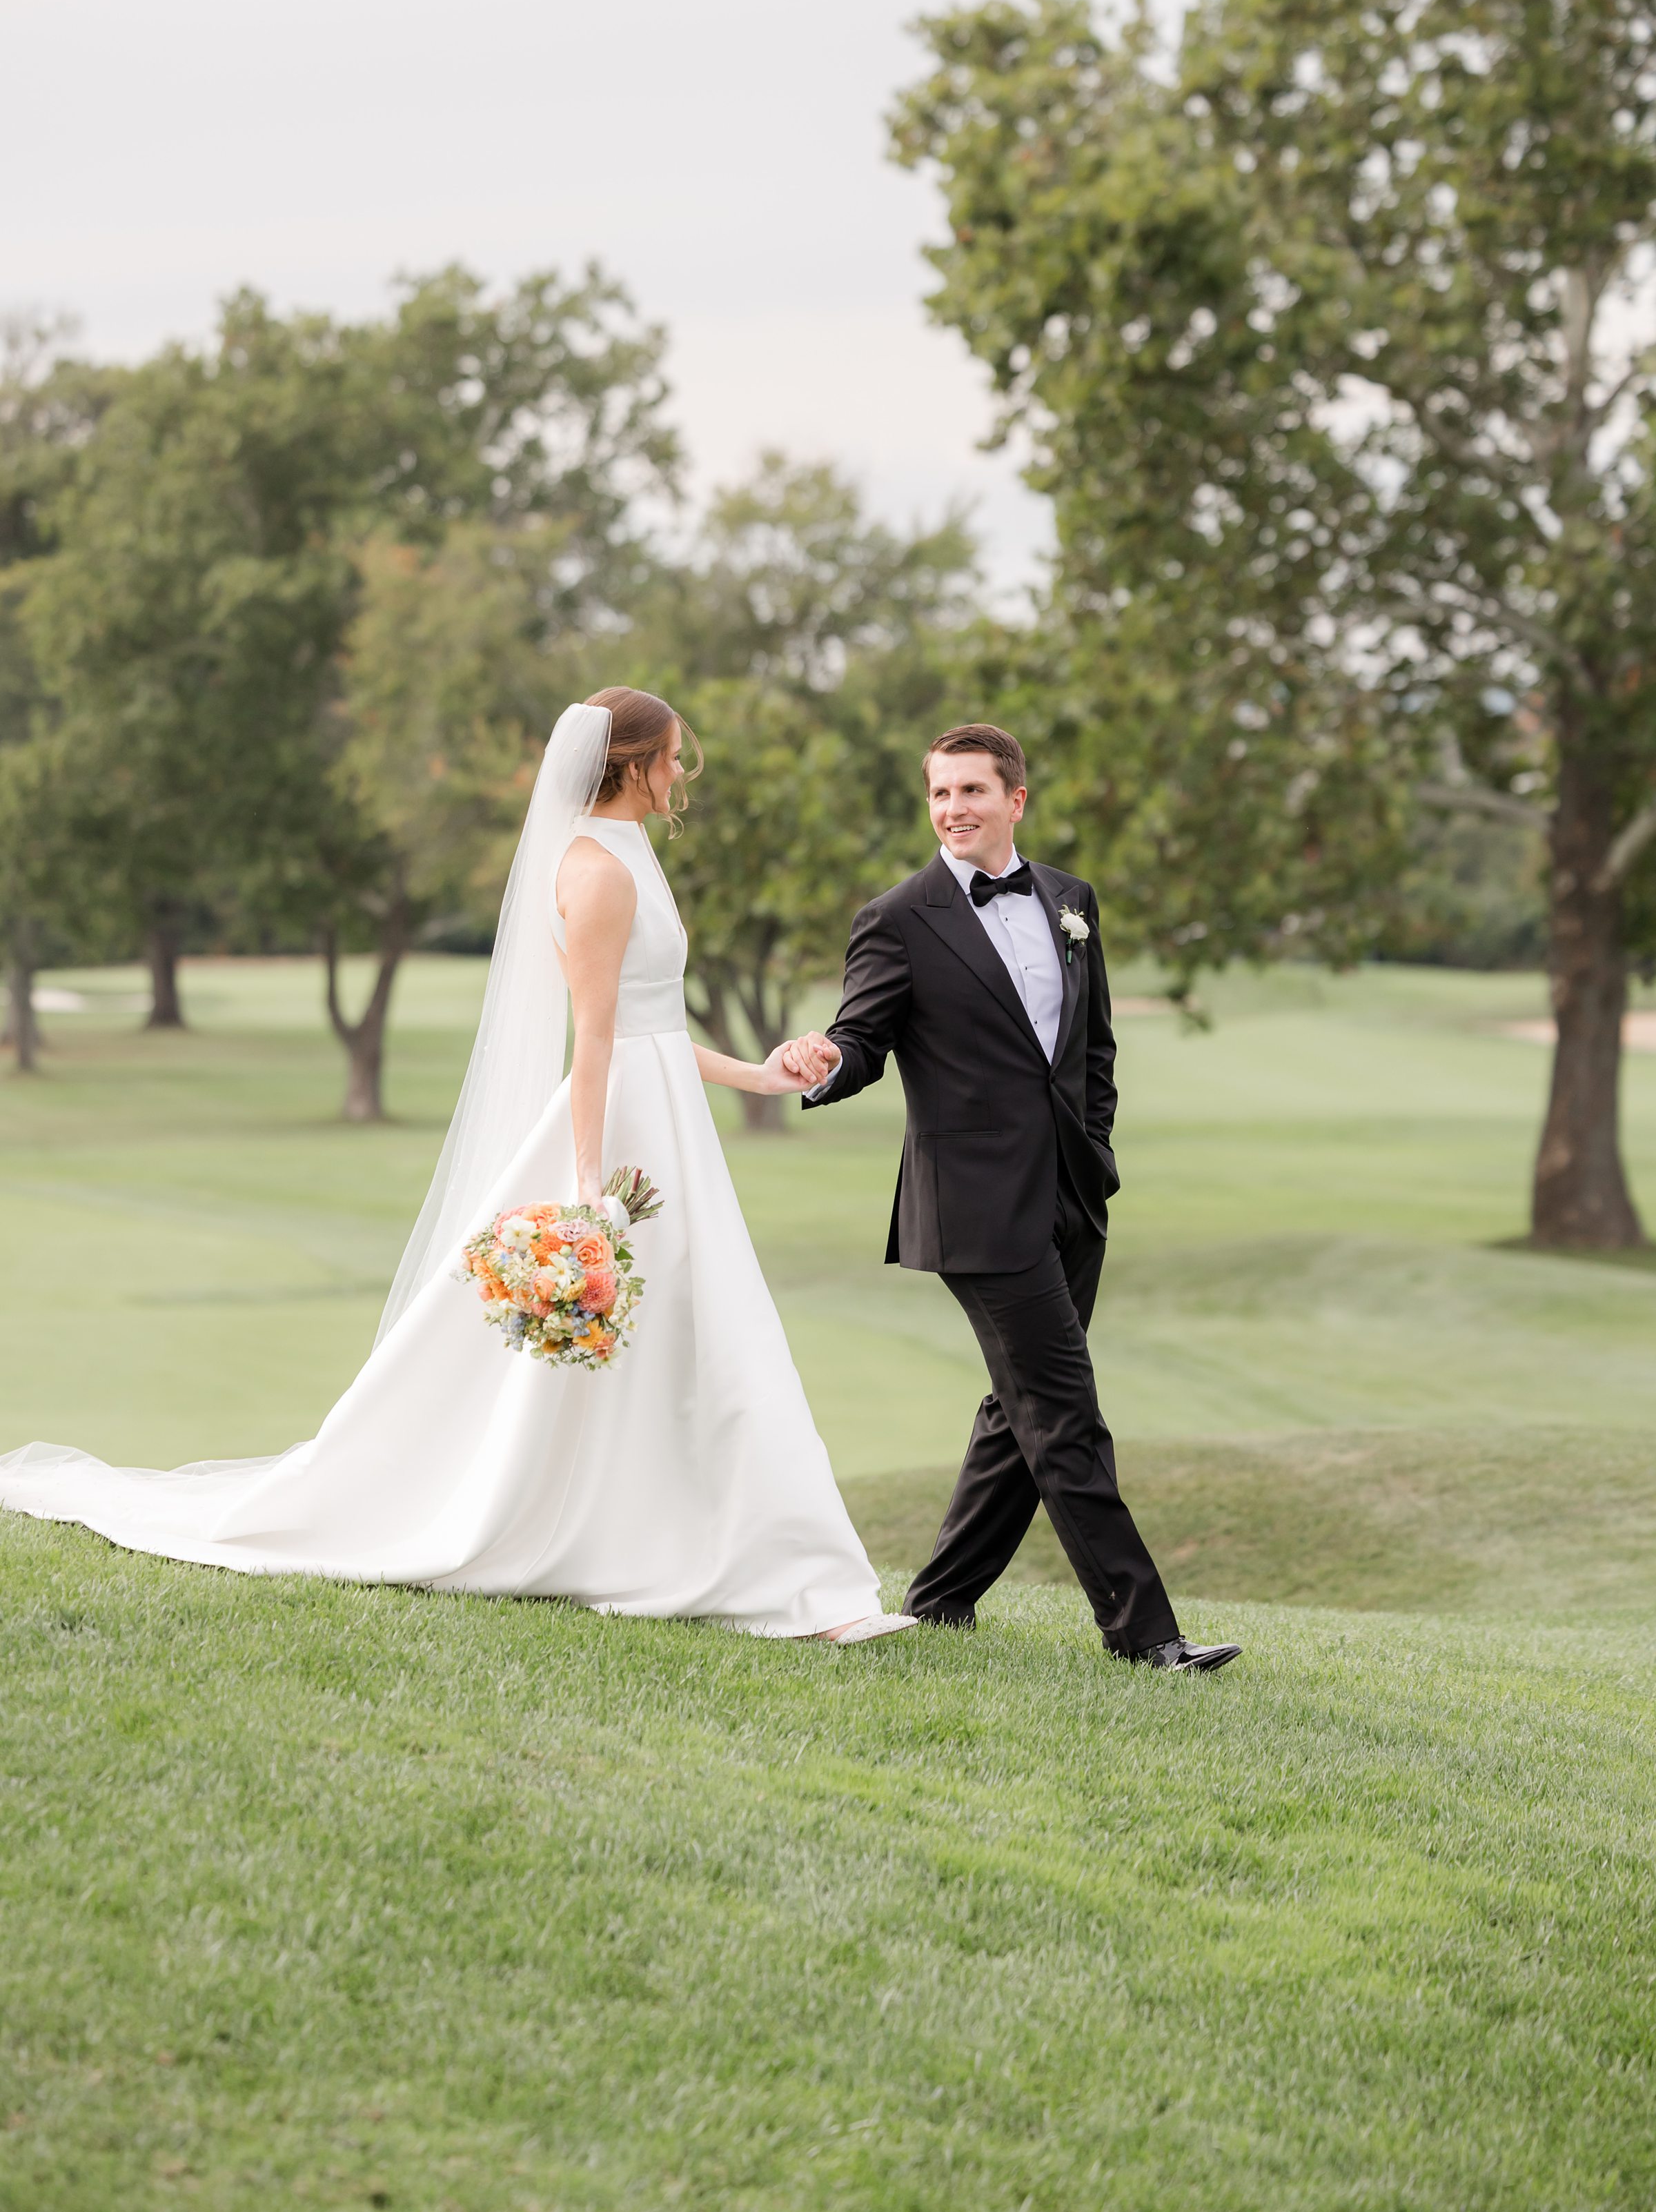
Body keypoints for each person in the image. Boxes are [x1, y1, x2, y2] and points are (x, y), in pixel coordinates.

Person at [0, 691, 914, 1646]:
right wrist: (591, 1185)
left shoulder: (634, 856)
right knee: (680, 1329)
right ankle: (725, 1565)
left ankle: (748, 1559)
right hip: (629, 1135)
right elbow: (596, 1042)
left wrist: (759, 1077)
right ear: (634, 763)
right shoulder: (598, 873)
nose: (683, 774)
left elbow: (656, 1030)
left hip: (668, 1115)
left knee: (704, 1331)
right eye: (674, 758)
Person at [783, 722, 1240, 1672]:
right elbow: (862, 1039)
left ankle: (940, 1600)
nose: (953, 810)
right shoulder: (899, 917)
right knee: (1064, 1411)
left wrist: (1098, 1151)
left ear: (1015, 800)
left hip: (1073, 1195)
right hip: (976, 1209)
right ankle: (1145, 1635)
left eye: (972, 792)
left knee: (1019, 1404)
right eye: (940, 794)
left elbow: (1093, 1048)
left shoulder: (1072, 901)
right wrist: (825, 1065)